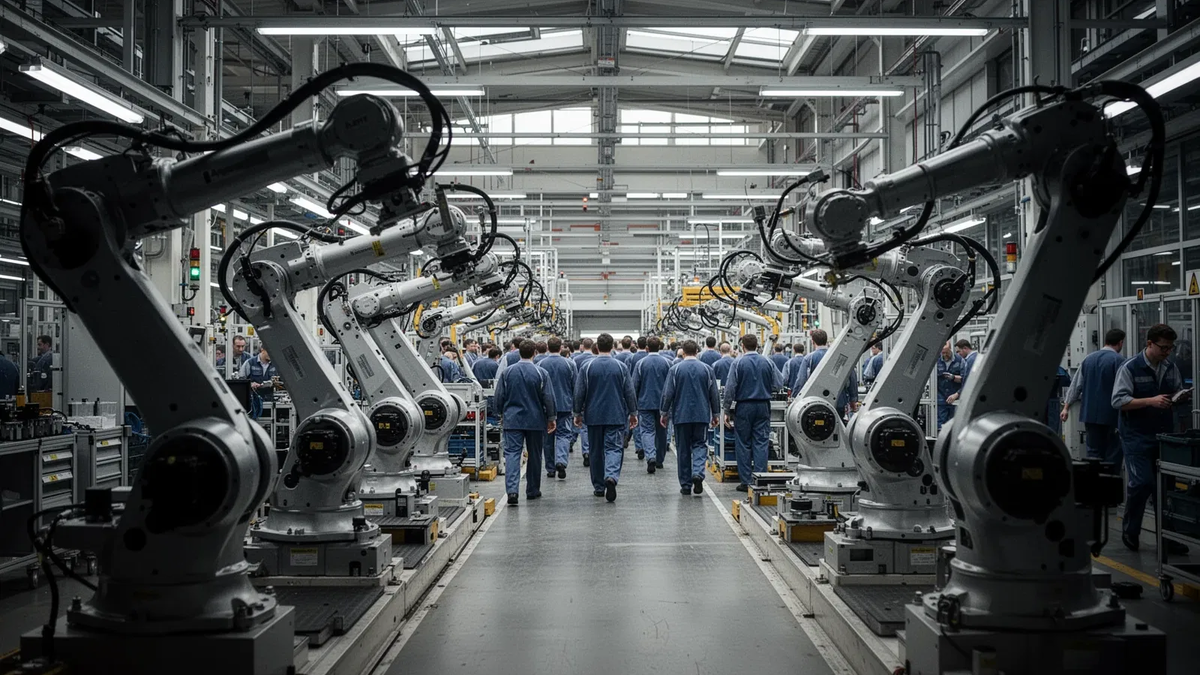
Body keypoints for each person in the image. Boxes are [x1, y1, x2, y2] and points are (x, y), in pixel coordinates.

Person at [1112, 323, 1189, 554]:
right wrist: (1150, 401)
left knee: (1165, 488)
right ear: (1149, 344)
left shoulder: (1170, 367)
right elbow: (1118, 401)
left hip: (1164, 435)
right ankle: (1131, 531)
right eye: (1163, 348)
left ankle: (1167, 537)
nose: (1167, 352)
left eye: (1170, 348)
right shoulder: (1130, 368)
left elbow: (1177, 388)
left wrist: (1180, 397)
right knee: (1142, 483)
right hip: (1136, 436)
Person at [573, 333, 637, 503]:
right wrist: (633, 413)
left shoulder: (587, 367)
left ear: (597, 347)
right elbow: (629, 392)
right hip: (615, 415)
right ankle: (611, 477)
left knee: (595, 451)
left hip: (593, 416)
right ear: (612, 346)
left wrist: (577, 413)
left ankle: (599, 487)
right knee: (614, 448)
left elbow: (579, 392)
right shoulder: (621, 367)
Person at [492, 340, 557, 505]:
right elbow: (548, 398)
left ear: (519, 352)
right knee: (535, 455)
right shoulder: (541, 373)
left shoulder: (508, 373)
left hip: (512, 420)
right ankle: (533, 490)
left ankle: (512, 492)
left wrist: (499, 413)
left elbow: (499, 397)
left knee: (513, 454)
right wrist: (551, 418)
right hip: (535, 421)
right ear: (535, 352)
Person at [722, 334, 783, 491]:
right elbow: (779, 383)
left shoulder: (738, 363)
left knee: (743, 443)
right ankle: (761, 479)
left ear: (742, 346)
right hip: (763, 405)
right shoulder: (768, 362)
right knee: (761, 442)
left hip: (744, 407)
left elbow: (730, 388)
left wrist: (726, 409)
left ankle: (746, 481)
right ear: (757, 345)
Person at [661, 340, 719, 496]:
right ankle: (698, 473)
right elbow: (713, 394)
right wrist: (716, 414)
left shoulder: (675, 369)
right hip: (701, 414)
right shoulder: (707, 370)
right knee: (700, 444)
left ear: (683, 352)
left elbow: (668, 394)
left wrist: (664, 412)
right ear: (697, 351)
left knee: (683, 449)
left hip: (681, 415)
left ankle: (686, 485)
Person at [1061, 328, 1126, 464]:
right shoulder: (1119, 361)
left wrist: (1066, 407)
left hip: (1090, 416)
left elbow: (1075, 385)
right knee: (1112, 454)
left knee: (1093, 454)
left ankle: (1094, 483)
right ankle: (1110, 483)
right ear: (1120, 343)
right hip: (1111, 416)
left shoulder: (1088, 360)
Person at [539, 337, 577, 480]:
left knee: (547, 438)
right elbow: (576, 386)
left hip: (545, 407)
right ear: (561, 348)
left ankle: (550, 468)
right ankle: (561, 461)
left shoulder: (540, 363)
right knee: (563, 434)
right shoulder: (570, 364)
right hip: (564, 405)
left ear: (548, 348)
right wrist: (577, 407)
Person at [633, 337, 671, 474]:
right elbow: (672, 386)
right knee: (662, 432)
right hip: (663, 405)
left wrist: (633, 406)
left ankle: (650, 457)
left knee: (647, 431)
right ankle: (659, 460)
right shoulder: (668, 363)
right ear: (660, 347)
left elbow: (635, 385)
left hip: (645, 403)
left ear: (647, 348)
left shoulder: (641, 364)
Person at [571, 338, 597, 467]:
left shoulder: (575, 360)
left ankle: (586, 452)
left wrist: (576, 409)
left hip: (585, 399)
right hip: (599, 401)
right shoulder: (594, 361)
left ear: (583, 346)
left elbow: (577, 386)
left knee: (585, 428)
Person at [936, 341, 964, 430]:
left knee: (954, 425)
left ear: (950, 349)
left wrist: (953, 377)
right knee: (940, 425)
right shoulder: (936, 361)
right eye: (942, 353)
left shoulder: (960, 361)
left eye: (946, 352)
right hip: (941, 398)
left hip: (955, 398)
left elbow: (965, 379)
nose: (944, 355)